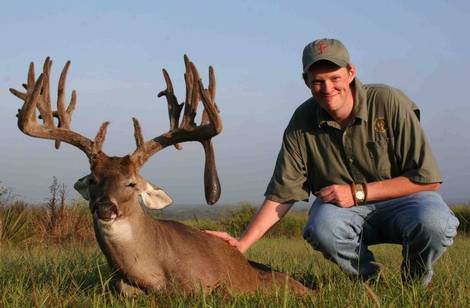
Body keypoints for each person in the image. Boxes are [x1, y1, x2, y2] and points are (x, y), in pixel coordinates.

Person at [206, 38, 459, 286]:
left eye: (334, 78)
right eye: (317, 81)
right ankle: (370, 282)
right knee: (322, 227)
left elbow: (428, 179)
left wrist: (357, 192)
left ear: (350, 73)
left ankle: (415, 284)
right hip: (345, 213)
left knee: (436, 221)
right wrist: (241, 245)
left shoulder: (388, 101)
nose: (327, 88)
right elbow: (283, 193)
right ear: (306, 81)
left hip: (404, 202)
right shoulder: (301, 122)